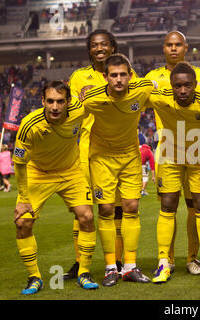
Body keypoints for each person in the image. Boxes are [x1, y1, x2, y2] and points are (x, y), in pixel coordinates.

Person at [144, 61, 200, 284]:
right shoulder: (159, 96)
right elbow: (129, 88)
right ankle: (163, 262)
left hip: (198, 156)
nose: (182, 91)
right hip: (169, 155)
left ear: (196, 85)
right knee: (168, 204)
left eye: (187, 85)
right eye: (177, 86)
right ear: (171, 86)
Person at [66, 29, 139, 280]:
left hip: (119, 148)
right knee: (83, 207)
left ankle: (118, 261)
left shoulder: (126, 70)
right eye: (95, 45)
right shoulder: (78, 77)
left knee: (117, 208)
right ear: (89, 49)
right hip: (87, 147)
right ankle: (80, 262)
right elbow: (70, 108)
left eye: (104, 44)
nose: (100, 48)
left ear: (112, 47)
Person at [13, 81, 98, 295]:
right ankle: (34, 277)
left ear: (69, 102)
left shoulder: (79, 109)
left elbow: (98, 97)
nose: (55, 107)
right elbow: (20, 163)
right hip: (38, 173)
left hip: (71, 171)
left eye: (60, 101)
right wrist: (23, 198)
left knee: (86, 216)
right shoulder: (29, 125)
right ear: (42, 101)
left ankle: (84, 272)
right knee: (23, 222)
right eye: (50, 101)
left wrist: (89, 91)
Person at [144, 31, 200, 275]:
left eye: (178, 44)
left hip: (197, 145)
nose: (173, 49)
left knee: (196, 204)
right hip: (168, 146)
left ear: (186, 47)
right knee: (168, 203)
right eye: (169, 45)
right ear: (163, 48)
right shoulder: (152, 77)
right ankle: (167, 259)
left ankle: (194, 258)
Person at [82, 54, 155, 286]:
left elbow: (161, 87)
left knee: (131, 206)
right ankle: (110, 267)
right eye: (114, 75)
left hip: (130, 156)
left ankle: (131, 266)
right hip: (102, 157)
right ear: (105, 77)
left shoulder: (141, 88)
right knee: (105, 209)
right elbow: (70, 114)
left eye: (123, 74)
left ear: (130, 75)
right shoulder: (91, 97)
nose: (119, 79)